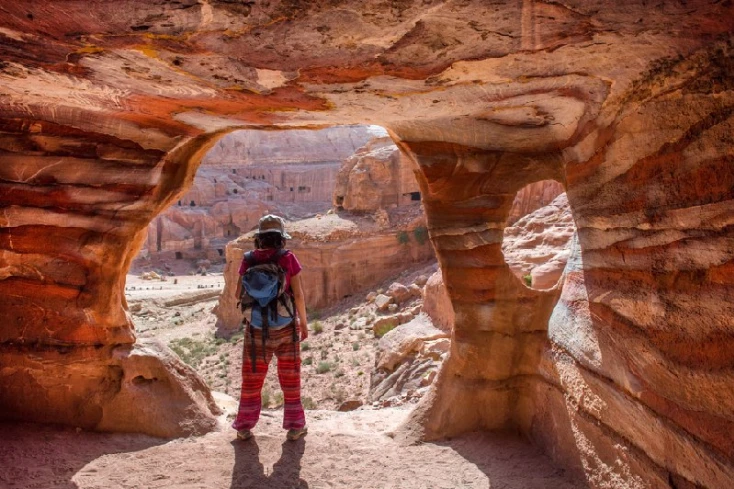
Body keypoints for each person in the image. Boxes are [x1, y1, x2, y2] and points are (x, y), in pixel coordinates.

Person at [232, 214, 309, 441]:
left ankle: (244, 427)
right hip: (286, 327)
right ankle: (295, 427)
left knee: (252, 379)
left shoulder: (248, 259)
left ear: (259, 238)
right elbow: (299, 295)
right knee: (290, 377)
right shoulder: (288, 258)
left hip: (256, 328)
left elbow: (238, 293)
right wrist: (303, 323)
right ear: (281, 238)